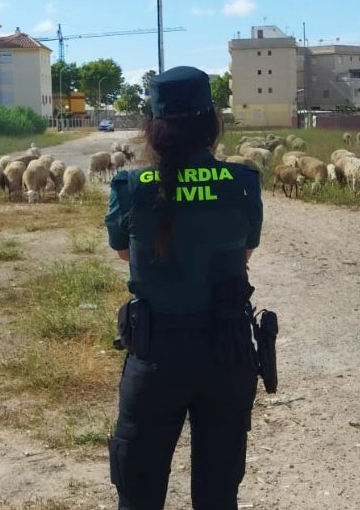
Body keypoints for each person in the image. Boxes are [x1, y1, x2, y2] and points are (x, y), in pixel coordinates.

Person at [105, 66, 263, 509]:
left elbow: (124, 252)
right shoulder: (242, 183)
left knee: (138, 493)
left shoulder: (130, 186)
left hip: (156, 355)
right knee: (218, 495)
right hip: (226, 353)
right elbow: (245, 253)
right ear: (213, 123)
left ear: (153, 127)